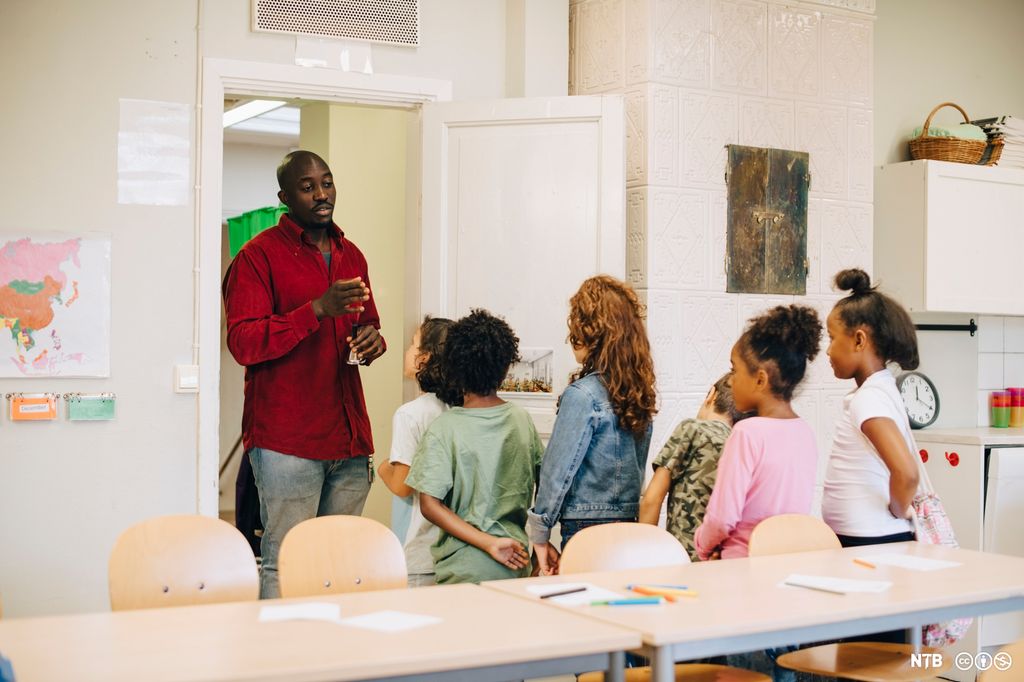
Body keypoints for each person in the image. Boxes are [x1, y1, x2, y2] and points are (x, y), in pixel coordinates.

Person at [222, 150, 386, 599]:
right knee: (287, 558)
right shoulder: (257, 257)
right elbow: (244, 342)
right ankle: (279, 664)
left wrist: (373, 340)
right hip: (287, 442)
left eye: (327, 183)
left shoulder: (351, 253)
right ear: (284, 197)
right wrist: (315, 309)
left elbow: (366, 322)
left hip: (349, 438)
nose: (321, 194)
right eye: (307, 187)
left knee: (338, 561)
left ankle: (328, 661)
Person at [528, 275, 657, 575]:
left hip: (585, 527)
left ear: (589, 333)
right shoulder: (638, 393)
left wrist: (540, 532)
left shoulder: (582, 395)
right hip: (627, 524)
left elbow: (557, 472)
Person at [405, 309, 544, 584]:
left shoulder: (445, 428)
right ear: (505, 368)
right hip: (516, 562)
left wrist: (487, 542)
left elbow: (429, 504)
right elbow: (545, 485)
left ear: (453, 367)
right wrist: (541, 541)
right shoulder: (521, 420)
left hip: (462, 569)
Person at [694, 305, 821, 561]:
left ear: (760, 380)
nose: (730, 381)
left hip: (742, 566)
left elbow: (721, 519)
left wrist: (702, 547)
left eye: (734, 370)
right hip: (788, 563)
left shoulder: (746, 433)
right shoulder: (805, 433)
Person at [822, 268, 920, 547]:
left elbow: (907, 472)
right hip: (869, 536)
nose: (828, 351)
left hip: (871, 540)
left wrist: (898, 510)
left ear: (859, 340)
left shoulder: (869, 399)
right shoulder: (879, 389)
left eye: (832, 337)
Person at [377, 315, 456, 587]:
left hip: (417, 550)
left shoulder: (410, 414)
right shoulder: (461, 410)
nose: (407, 351)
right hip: (451, 549)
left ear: (425, 358)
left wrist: (382, 466)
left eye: (413, 344)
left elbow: (402, 485)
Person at [638, 373, 749, 560]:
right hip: (719, 559)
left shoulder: (692, 429)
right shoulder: (740, 444)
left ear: (711, 395)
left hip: (682, 557)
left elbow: (652, 499)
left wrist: (644, 556)